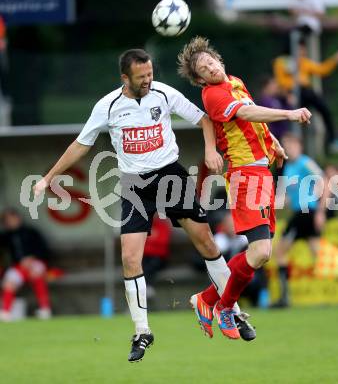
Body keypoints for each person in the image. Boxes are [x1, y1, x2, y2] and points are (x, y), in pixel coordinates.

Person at [32, 48, 252, 362]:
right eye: (141, 77)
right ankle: (142, 331)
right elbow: (80, 144)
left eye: (150, 73)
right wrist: (48, 178)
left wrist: (209, 150)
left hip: (170, 176)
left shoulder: (163, 93)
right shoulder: (107, 106)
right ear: (125, 78)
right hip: (135, 185)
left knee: (206, 242)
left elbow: (203, 119)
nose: (148, 80)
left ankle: (232, 310)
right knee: (130, 258)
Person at [177, 36, 311, 340]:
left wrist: (271, 141)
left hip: (262, 172)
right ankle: (224, 307)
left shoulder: (235, 81)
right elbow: (247, 113)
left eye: (210, 61)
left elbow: (250, 116)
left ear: (219, 61)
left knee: (261, 253)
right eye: (202, 68)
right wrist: (288, 115)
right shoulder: (212, 95)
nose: (209, 67)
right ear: (199, 80)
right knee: (261, 250)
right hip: (244, 176)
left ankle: (208, 300)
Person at [271, 132, 338, 308]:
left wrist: (321, 211)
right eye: (285, 144)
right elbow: (290, 198)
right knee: (319, 255)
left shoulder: (305, 162)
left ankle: (284, 298)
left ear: (299, 146)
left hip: (307, 214)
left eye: (291, 144)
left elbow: (326, 181)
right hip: (303, 214)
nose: (287, 147)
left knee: (280, 251)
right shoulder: (289, 168)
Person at [273, 38, 338, 151]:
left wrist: (334, 60)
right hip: (291, 93)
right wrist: (288, 92)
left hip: (306, 92)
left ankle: (332, 140)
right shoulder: (281, 61)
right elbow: (281, 81)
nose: (304, 51)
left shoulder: (304, 61)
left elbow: (322, 70)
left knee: (325, 109)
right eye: (301, 48)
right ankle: (285, 146)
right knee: (290, 121)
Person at [0, 208, 52, 321]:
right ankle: (5, 312)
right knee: (9, 283)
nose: (10, 222)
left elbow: (44, 250)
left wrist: (32, 258)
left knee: (37, 274)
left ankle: (45, 309)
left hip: (36, 262)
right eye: (7, 220)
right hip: (18, 267)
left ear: (18, 218)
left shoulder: (31, 232)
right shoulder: (6, 236)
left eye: (11, 219)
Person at [257, 76, 292, 141]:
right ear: (266, 86)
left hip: (280, 135)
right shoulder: (264, 101)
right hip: (272, 135)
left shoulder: (275, 99)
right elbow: (277, 114)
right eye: (273, 85)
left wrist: (287, 102)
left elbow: (285, 111)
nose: (276, 87)